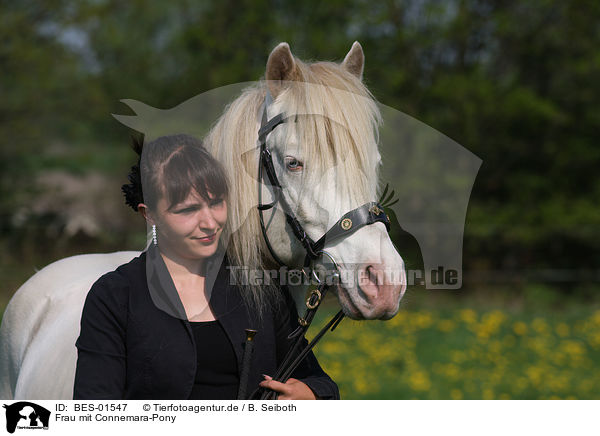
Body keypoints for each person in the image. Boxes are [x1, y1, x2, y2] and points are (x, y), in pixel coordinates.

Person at [73, 134, 339, 400]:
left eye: (216, 203)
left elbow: (320, 382)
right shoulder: (114, 296)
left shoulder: (260, 286)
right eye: (188, 210)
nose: (210, 223)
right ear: (149, 214)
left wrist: (312, 394)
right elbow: (95, 411)